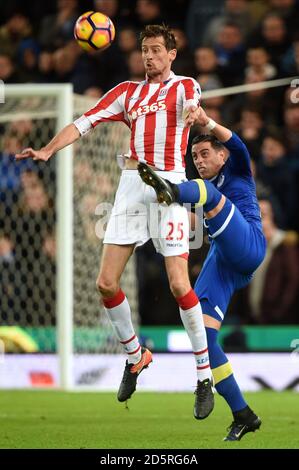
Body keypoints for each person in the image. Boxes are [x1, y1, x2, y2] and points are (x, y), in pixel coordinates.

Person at [15, 24, 214, 419]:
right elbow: (83, 122)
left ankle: (203, 375)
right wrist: (49, 150)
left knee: (178, 282)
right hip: (132, 184)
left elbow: (193, 104)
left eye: (157, 50)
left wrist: (196, 115)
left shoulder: (185, 86)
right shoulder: (127, 93)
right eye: (145, 50)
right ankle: (135, 356)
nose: (150, 56)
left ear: (172, 54)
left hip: (171, 186)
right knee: (105, 283)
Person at [138, 106, 267, 441]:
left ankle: (170, 190)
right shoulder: (204, 188)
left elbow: (238, 143)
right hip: (223, 258)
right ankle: (243, 414)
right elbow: (193, 224)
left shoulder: (238, 167)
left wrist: (205, 121)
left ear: (222, 156)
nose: (199, 159)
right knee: (205, 338)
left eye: (206, 153)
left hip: (249, 245)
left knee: (202, 191)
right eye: (194, 155)